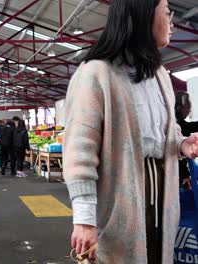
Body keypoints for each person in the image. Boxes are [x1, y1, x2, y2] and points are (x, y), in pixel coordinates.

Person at [63, 0, 198, 262]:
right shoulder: (96, 73)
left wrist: (183, 144)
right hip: (121, 204)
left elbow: (161, 136)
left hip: (163, 199)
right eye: (166, 12)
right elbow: (80, 153)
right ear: (144, 16)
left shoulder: (159, 74)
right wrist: (84, 220)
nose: (172, 21)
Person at [175, 91, 198, 189]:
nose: (189, 110)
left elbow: (190, 126)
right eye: (187, 107)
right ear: (179, 108)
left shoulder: (180, 123)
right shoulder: (176, 125)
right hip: (178, 174)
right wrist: (184, 174)